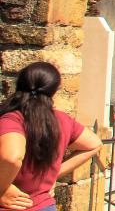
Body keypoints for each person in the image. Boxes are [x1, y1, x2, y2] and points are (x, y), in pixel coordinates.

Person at [0, 62, 102, 211]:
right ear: (54, 90)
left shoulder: (13, 119)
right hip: (44, 205)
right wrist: (54, 173)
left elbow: (12, 157)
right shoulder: (62, 120)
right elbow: (94, 144)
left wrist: (2, 189)